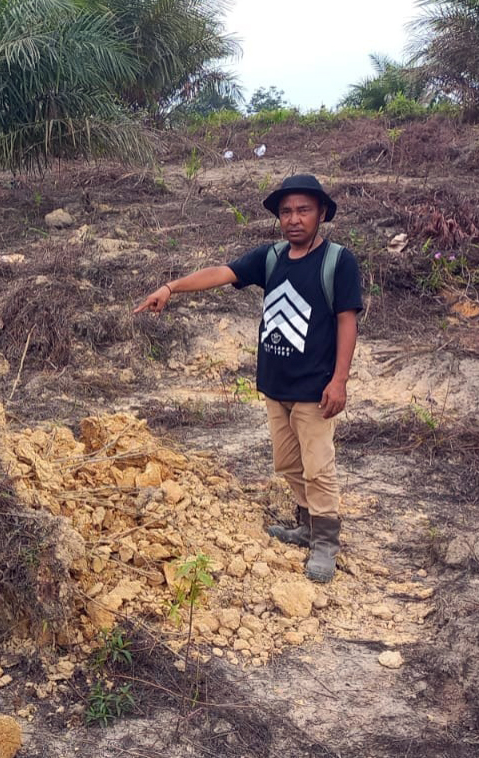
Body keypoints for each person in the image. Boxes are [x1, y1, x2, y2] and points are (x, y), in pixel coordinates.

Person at [133, 174, 363, 583]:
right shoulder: (270, 257)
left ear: (322, 213)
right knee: (290, 464)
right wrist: (171, 287)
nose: (294, 219)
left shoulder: (337, 261)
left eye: (303, 210)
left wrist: (340, 380)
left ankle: (326, 542)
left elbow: (347, 321)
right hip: (276, 385)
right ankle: (305, 525)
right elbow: (221, 273)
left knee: (318, 466)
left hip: (316, 387)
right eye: (286, 211)